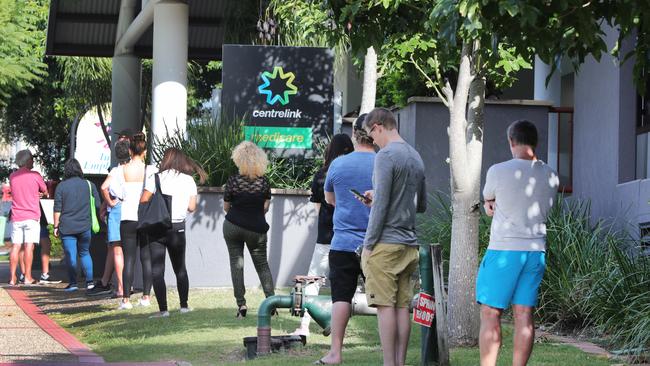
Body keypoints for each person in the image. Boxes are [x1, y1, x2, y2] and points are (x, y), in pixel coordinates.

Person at [477, 120, 559, 366]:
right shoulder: (550, 174)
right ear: (535, 142)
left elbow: (488, 199)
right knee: (524, 314)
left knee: (491, 312)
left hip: (504, 250)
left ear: (511, 141)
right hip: (536, 252)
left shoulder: (498, 170)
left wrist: (489, 204)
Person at [360, 107, 427, 366]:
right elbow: (421, 204)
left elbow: (381, 205)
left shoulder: (385, 156)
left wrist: (368, 245)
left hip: (385, 243)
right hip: (409, 245)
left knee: (385, 307)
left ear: (377, 126)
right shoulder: (415, 156)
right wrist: (381, 196)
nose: (372, 141)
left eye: (371, 135)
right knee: (401, 307)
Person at [316, 115, 375, 365]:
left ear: (354, 134)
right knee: (384, 302)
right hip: (377, 243)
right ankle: (393, 357)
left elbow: (330, 200)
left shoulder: (338, 165)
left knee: (340, 298)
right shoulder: (384, 163)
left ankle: (335, 353)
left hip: (343, 243)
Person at [292, 134, 354, 337]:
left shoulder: (322, 174)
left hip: (327, 234)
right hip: (353, 236)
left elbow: (319, 207)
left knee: (314, 279)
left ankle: (305, 325)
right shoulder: (352, 172)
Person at [141, 148, 207, 318]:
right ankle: (184, 306)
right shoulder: (188, 180)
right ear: (181, 160)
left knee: (157, 269)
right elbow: (192, 208)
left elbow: (144, 200)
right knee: (180, 268)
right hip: (178, 228)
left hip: (157, 227)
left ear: (165, 160)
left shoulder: (155, 178)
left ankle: (163, 310)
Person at [222, 141, 275, 318]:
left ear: (239, 159)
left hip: (233, 226)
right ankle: (271, 303)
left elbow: (226, 207)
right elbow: (265, 207)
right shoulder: (264, 183)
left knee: (236, 264)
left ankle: (241, 305)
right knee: (262, 265)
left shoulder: (233, 181)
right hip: (257, 229)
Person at [109, 132, 157, 310]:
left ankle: (126, 300)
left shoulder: (120, 170)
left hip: (127, 216)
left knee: (129, 258)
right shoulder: (150, 170)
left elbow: (117, 193)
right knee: (146, 257)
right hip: (145, 217)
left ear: (129, 150)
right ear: (145, 151)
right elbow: (152, 192)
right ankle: (146, 296)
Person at [88, 138, 131, 297]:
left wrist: (109, 202)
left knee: (116, 250)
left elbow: (104, 187)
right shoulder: (135, 170)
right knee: (129, 250)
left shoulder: (115, 171)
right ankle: (127, 284)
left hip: (117, 208)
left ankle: (120, 287)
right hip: (131, 209)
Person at [53, 159, 101, 292]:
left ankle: (73, 283)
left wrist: (56, 226)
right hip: (85, 225)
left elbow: (57, 208)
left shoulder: (61, 186)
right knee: (85, 253)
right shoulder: (89, 184)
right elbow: (97, 204)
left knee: (71, 255)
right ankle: (90, 282)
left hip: (67, 227)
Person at [8, 150, 48, 286]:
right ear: (27, 161)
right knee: (29, 246)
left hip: (16, 215)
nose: (33, 161)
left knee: (16, 246)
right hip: (31, 215)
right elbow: (45, 191)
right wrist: (41, 193)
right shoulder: (35, 175)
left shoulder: (12, 177)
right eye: (31, 159)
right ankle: (28, 277)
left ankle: (13, 278)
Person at [37, 203, 61, 284]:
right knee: (45, 244)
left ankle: (24, 275)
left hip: (21, 214)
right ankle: (44, 274)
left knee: (23, 245)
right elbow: (45, 191)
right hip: (37, 214)